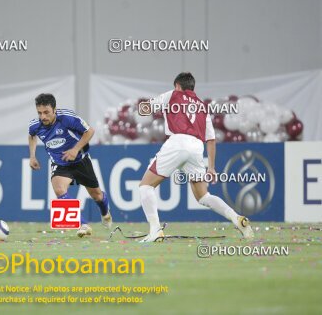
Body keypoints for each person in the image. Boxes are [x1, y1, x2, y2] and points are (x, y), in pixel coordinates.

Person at [139, 72, 254, 242]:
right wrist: (212, 168)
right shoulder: (202, 107)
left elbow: (144, 109)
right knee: (203, 196)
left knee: (145, 186)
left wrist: (152, 107)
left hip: (177, 142)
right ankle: (237, 219)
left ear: (177, 86)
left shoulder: (172, 95)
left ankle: (155, 230)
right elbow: (211, 139)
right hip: (196, 147)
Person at [28, 93, 112, 237]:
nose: (43, 117)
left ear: (54, 110)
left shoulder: (67, 118)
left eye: (46, 112)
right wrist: (32, 156)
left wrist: (75, 149)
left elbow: (90, 131)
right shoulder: (35, 125)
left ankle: (105, 213)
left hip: (80, 161)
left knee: (97, 196)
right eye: (40, 113)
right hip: (59, 164)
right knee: (59, 190)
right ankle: (83, 224)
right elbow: (31, 136)